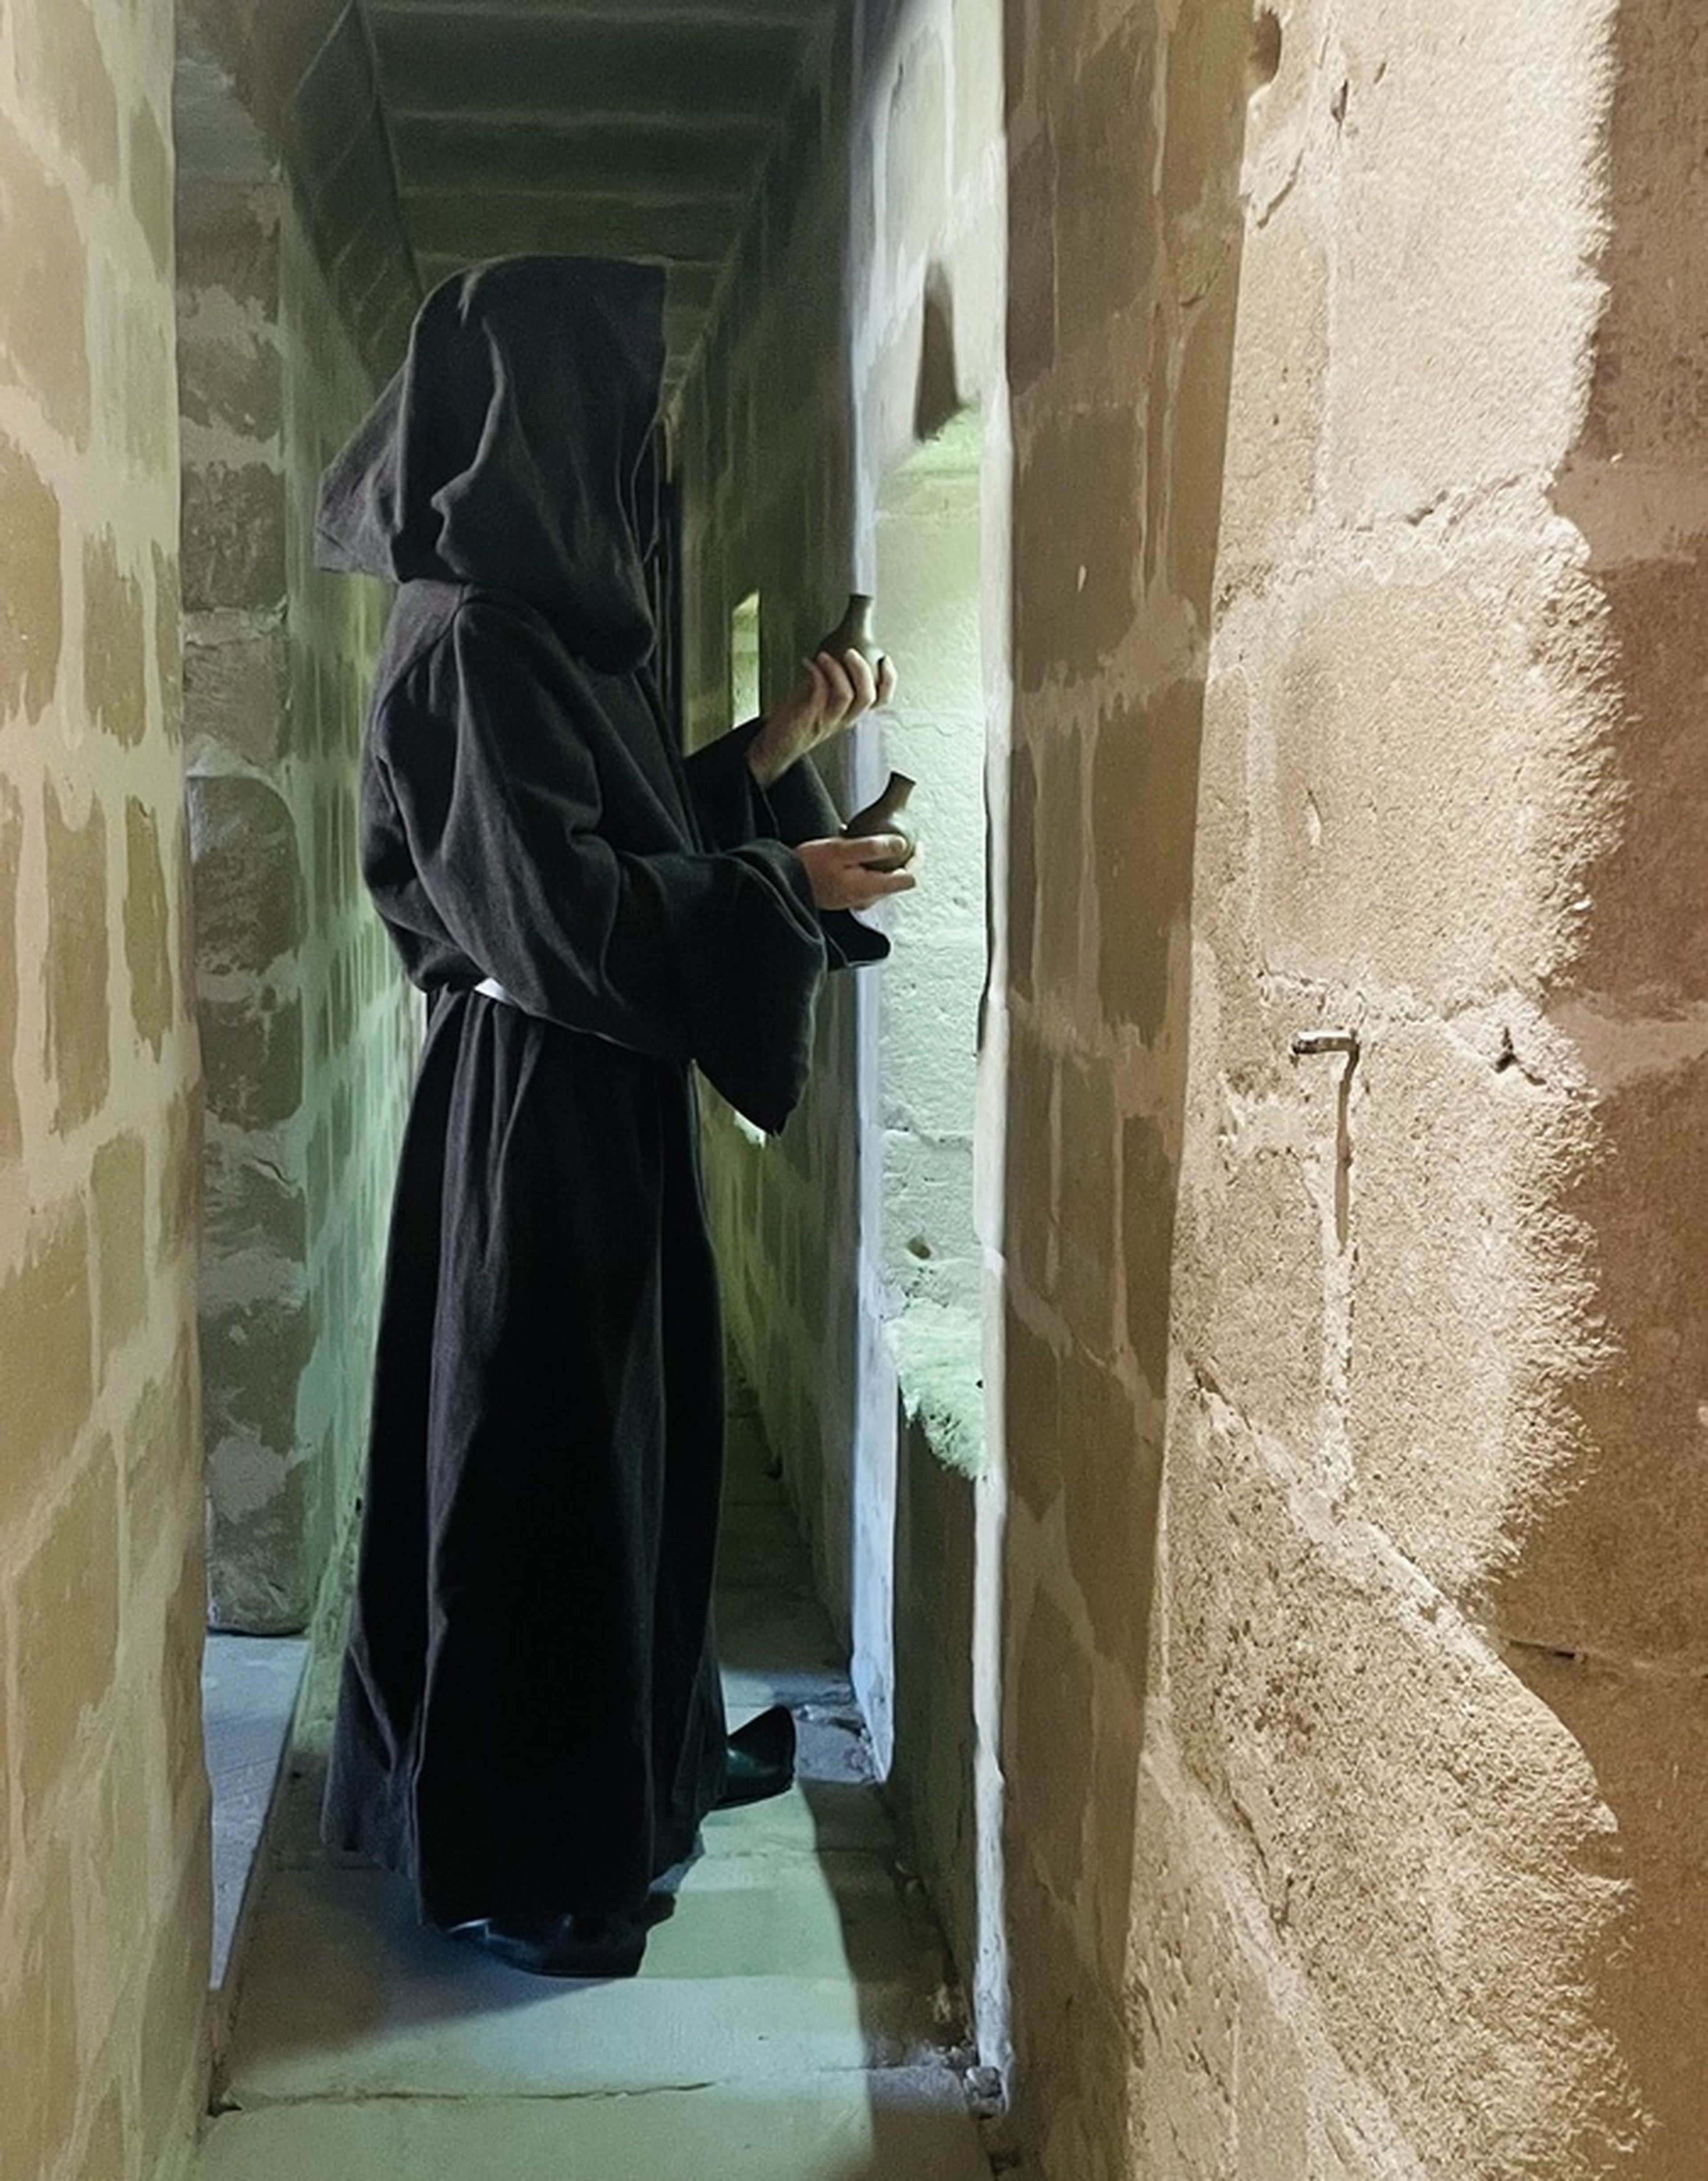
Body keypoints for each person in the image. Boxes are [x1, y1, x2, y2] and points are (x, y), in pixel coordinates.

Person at [312, 254, 913, 1978]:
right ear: (536, 423)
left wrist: (772, 747)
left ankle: (635, 1773)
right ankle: (532, 1858)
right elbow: (562, 922)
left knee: (624, 1446)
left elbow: (612, 829)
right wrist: (784, 883)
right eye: (611, 418)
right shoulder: (467, 641)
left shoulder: (526, 627)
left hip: (591, 1103)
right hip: (531, 1115)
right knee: (545, 1464)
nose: (628, 459)